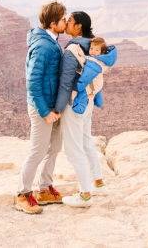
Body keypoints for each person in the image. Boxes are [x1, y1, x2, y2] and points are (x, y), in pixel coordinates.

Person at [54, 11, 118, 208]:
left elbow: (66, 83)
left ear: (79, 26)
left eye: (70, 21)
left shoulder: (74, 48)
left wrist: (57, 109)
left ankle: (85, 195)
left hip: (74, 103)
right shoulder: (94, 45)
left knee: (74, 149)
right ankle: (98, 182)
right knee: (86, 140)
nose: (67, 23)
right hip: (88, 101)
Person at [15, 1, 68, 214]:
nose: (67, 22)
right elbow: (33, 82)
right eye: (64, 19)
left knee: (54, 147)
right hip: (42, 108)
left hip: (54, 107)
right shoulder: (43, 46)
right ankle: (22, 194)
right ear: (53, 23)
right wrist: (45, 112)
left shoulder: (52, 41)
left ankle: (44, 189)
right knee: (37, 151)